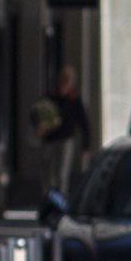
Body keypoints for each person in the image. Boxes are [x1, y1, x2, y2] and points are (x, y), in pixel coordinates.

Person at [38, 65, 92, 195]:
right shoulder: (50, 97)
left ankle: (61, 198)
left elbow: (84, 124)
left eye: (67, 79)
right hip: (49, 139)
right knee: (47, 170)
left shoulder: (74, 100)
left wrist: (85, 146)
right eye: (62, 78)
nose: (64, 82)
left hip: (65, 139)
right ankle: (48, 197)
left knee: (61, 172)